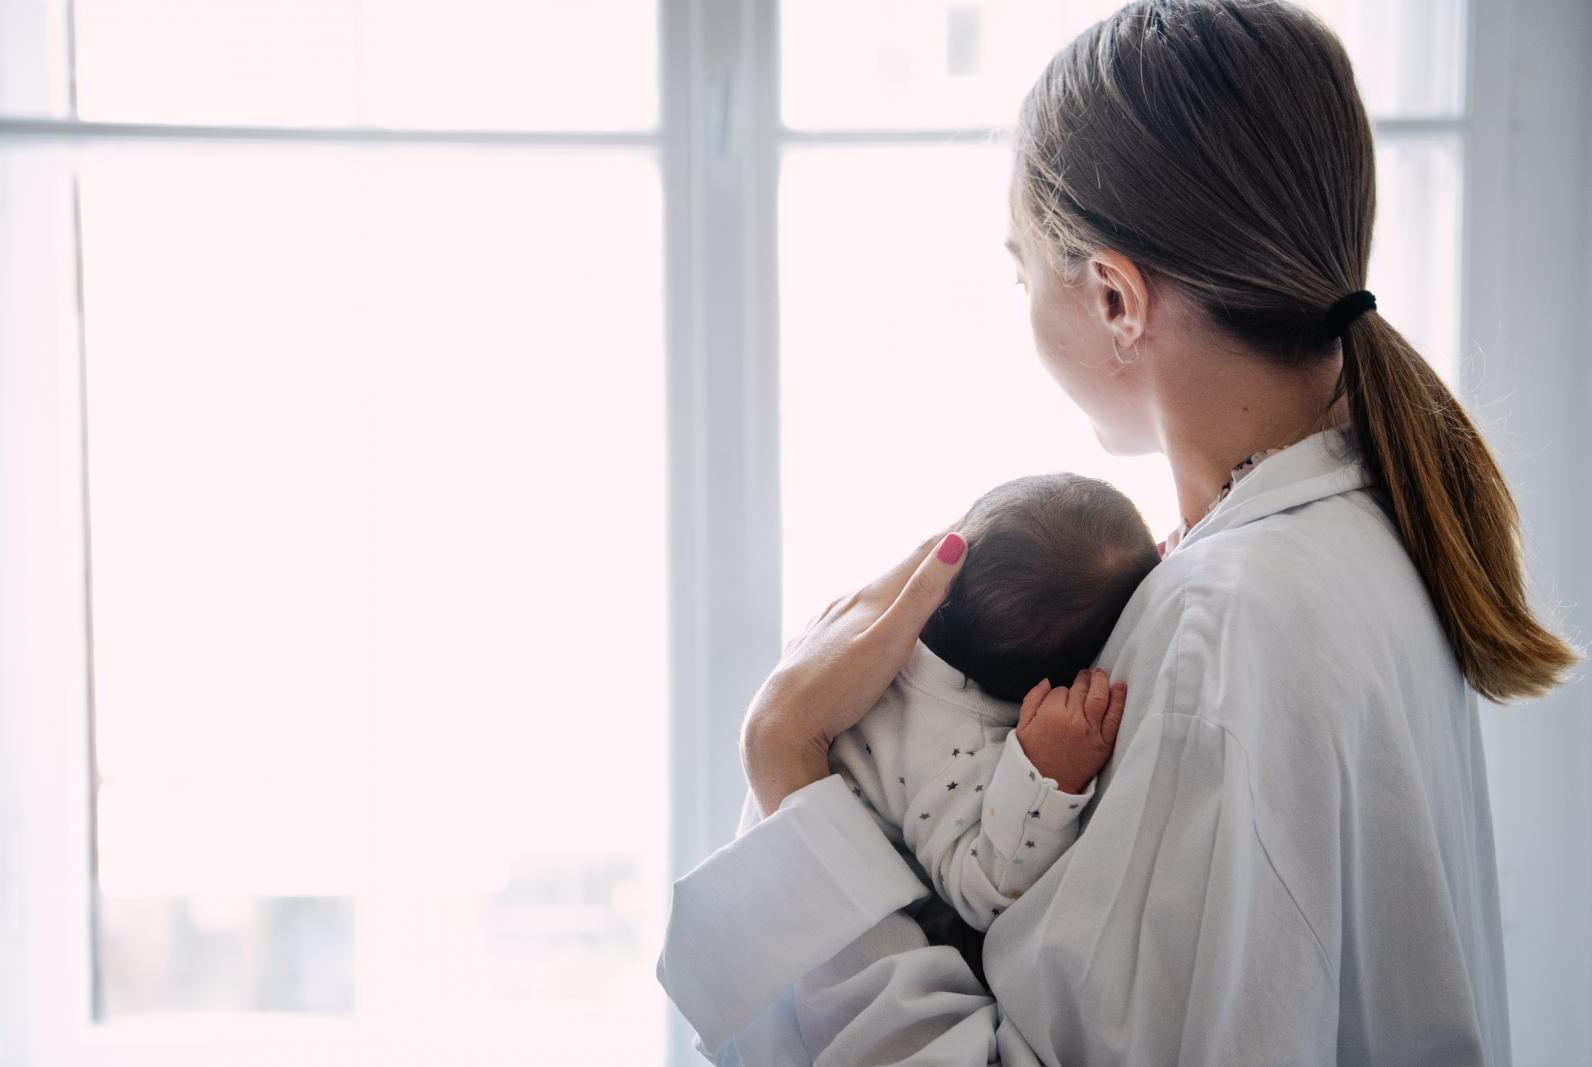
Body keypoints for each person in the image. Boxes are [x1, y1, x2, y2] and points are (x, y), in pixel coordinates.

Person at [656, 1, 1580, 1063]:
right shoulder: (1374, 534)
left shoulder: (1219, 626)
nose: (1021, 303)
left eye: (1021, 269)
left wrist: (786, 758)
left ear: (1111, 297)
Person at [748, 473, 1158, 999]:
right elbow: (982, 895)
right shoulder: (961, 746)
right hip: (849, 934)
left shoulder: (874, 638)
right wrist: (1042, 775)